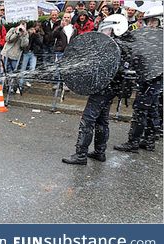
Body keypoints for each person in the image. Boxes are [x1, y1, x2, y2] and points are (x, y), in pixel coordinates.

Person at [62, 14, 130, 165]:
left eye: (107, 29)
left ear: (116, 29)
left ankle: (80, 155)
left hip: (104, 88)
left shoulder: (116, 46)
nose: (103, 32)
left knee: (88, 119)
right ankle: (100, 152)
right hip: (108, 88)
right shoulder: (120, 44)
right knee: (102, 120)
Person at [114, 7, 163, 153]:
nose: (149, 24)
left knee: (141, 111)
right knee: (153, 109)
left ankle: (133, 142)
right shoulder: (156, 38)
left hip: (151, 79)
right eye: (148, 21)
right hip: (154, 78)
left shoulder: (158, 38)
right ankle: (149, 140)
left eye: (152, 21)